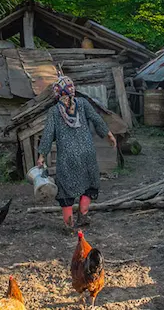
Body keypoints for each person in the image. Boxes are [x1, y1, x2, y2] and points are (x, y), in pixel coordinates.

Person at [36, 75, 116, 230]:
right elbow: (97, 119)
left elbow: (47, 134)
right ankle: (83, 216)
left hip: (67, 158)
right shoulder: (83, 103)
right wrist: (109, 135)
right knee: (90, 185)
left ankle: (69, 225)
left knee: (66, 192)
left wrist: (42, 155)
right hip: (87, 153)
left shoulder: (54, 112)